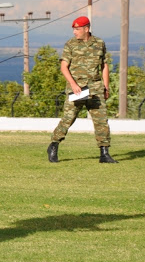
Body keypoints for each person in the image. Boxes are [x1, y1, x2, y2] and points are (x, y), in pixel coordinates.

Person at [47, 16, 118, 164]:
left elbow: (104, 66)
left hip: (96, 88)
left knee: (101, 121)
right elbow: (63, 67)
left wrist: (106, 86)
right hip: (77, 89)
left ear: (87, 29)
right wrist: (73, 84)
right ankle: (53, 145)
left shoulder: (99, 43)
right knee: (68, 119)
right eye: (74, 29)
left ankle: (104, 153)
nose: (74, 32)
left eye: (77, 29)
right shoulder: (70, 44)